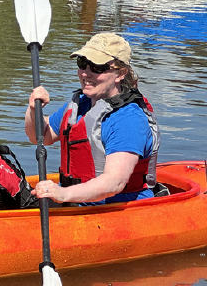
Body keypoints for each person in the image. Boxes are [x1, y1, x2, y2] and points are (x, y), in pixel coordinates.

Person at [24, 32, 160, 205]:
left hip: (115, 210)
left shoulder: (128, 120)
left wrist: (63, 194)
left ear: (120, 73)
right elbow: (40, 136)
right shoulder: (80, 104)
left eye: (97, 67)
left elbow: (114, 182)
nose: (86, 73)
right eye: (83, 64)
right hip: (75, 203)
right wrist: (33, 110)